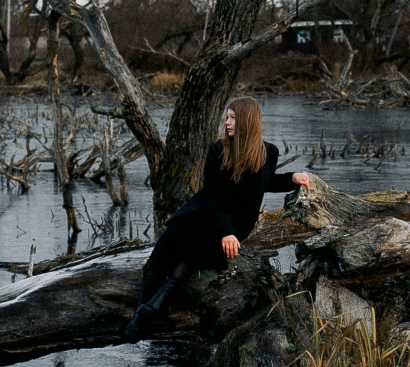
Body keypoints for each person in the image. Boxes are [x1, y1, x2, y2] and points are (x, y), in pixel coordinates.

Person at [123, 97, 311, 339]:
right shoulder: (218, 149)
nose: (227, 122)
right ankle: (143, 310)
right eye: (227, 117)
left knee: (197, 240)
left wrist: (291, 178)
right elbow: (213, 195)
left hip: (237, 223)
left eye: (232, 117)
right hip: (208, 210)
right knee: (161, 254)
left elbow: (264, 182)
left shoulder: (269, 152)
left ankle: (150, 311)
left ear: (247, 121)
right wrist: (226, 231)